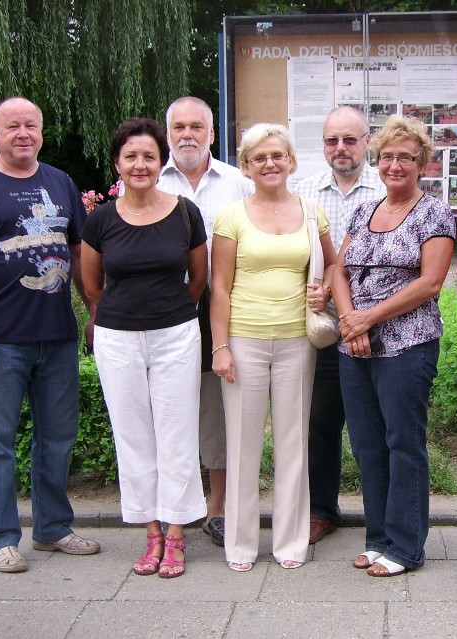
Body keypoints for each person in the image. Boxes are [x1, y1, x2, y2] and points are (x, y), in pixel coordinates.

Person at [0, 97, 100, 573]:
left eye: (31, 125)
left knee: (58, 438)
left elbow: (80, 254)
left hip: (58, 336)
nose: (23, 133)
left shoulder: (60, 183)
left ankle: (52, 529)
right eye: (13, 126)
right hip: (1, 339)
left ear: (42, 132)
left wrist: (94, 312)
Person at [81, 117, 208, 578]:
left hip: (176, 335)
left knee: (177, 435)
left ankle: (176, 534)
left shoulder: (184, 212)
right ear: (117, 163)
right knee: (133, 436)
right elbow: (92, 285)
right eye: (131, 156)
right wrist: (124, 318)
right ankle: (150, 532)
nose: (140, 164)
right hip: (117, 339)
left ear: (162, 161)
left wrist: (169, 313)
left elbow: (199, 279)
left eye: (149, 156)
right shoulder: (100, 219)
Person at [333, 114, 455, 577]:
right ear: (377, 162)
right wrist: (350, 321)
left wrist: (367, 317)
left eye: (406, 156)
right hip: (355, 346)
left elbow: (430, 283)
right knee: (366, 445)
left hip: (408, 345)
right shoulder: (363, 211)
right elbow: (338, 272)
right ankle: (379, 537)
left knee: (403, 442)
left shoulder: (433, 212)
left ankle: (406, 546)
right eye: (387, 156)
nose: (395, 164)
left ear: (422, 163)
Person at [210, 123, 336, 572]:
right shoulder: (232, 217)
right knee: (242, 446)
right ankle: (241, 545)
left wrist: (324, 294)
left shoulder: (312, 211)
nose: (269, 164)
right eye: (258, 158)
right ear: (246, 166)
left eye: (277, 156)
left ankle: (289, 542)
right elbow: (219, 288)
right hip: (243, 340)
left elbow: (333, 264)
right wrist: (219, 346)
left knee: (292, 442)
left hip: (297, 341)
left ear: (291, 161)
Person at [156, 96, 254, 547]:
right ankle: (170, 505)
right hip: (163, 310)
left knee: (216, 409)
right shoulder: (148, 180)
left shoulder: (238, 183)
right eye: (178, 127)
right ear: (167, 133)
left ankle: (217, 507)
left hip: (222, 306)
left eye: (197, 126)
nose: (187, 134)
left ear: (212, 134)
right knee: (168, 409)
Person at [294, 106, 386, 544]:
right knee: (321, 423)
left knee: (382, 427)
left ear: (367, 141)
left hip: (385, 328)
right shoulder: (302, 191)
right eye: (332, 140)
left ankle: (384, 516)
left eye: (350, 139)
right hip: (327, 329)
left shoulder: (388, 185)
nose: (341, 148)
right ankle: (321, 510)